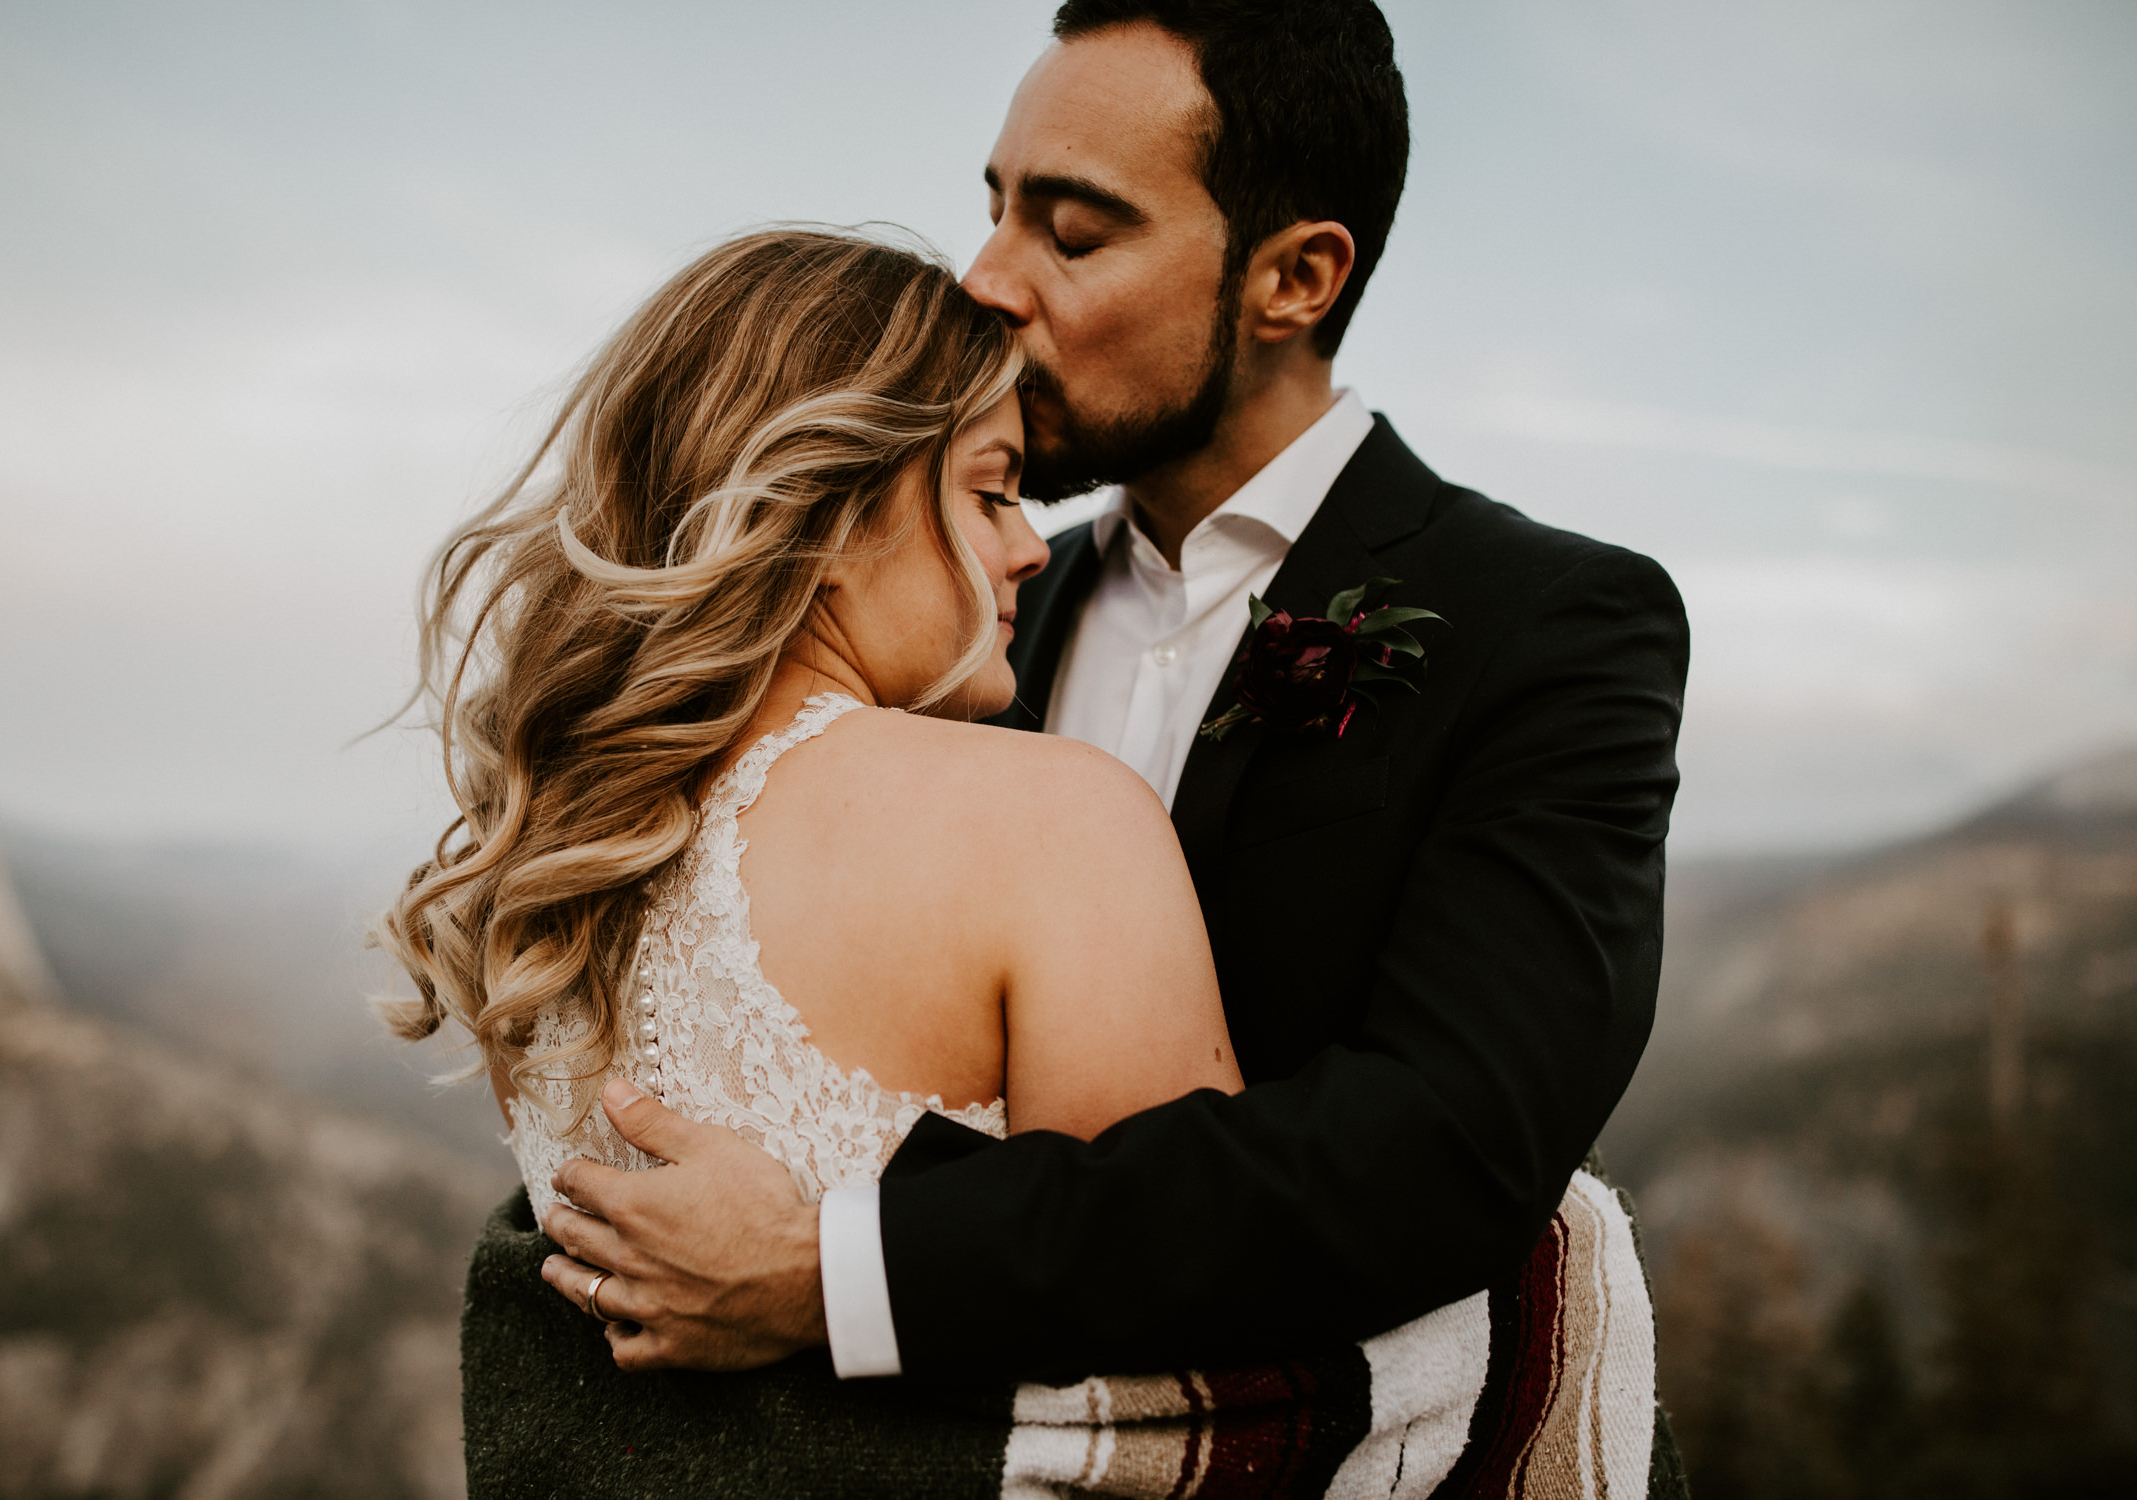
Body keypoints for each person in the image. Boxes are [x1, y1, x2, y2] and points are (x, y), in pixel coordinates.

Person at [534, 3, 1688, 1494]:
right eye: (995, 207)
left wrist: (843, 1270)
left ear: (1293, 277)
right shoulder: (963, 609)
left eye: (1071, 235)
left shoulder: (1549, 622)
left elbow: (1452, 1148)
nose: (988, 282)